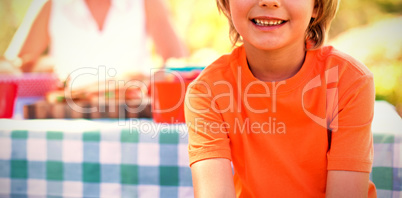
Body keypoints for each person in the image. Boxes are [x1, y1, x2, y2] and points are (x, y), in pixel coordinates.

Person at [184, 0, 377, 197]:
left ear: (317, 7)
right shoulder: (208, 91)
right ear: (226, 4)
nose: (269, 1)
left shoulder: (349, 81)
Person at [2, 0, 186, 87]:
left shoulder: (147, 2)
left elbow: (178, 62)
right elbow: (15, 68)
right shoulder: (52, 4)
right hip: (65, 120)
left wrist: (149, 81)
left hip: (133, 118)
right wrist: (40, 67)